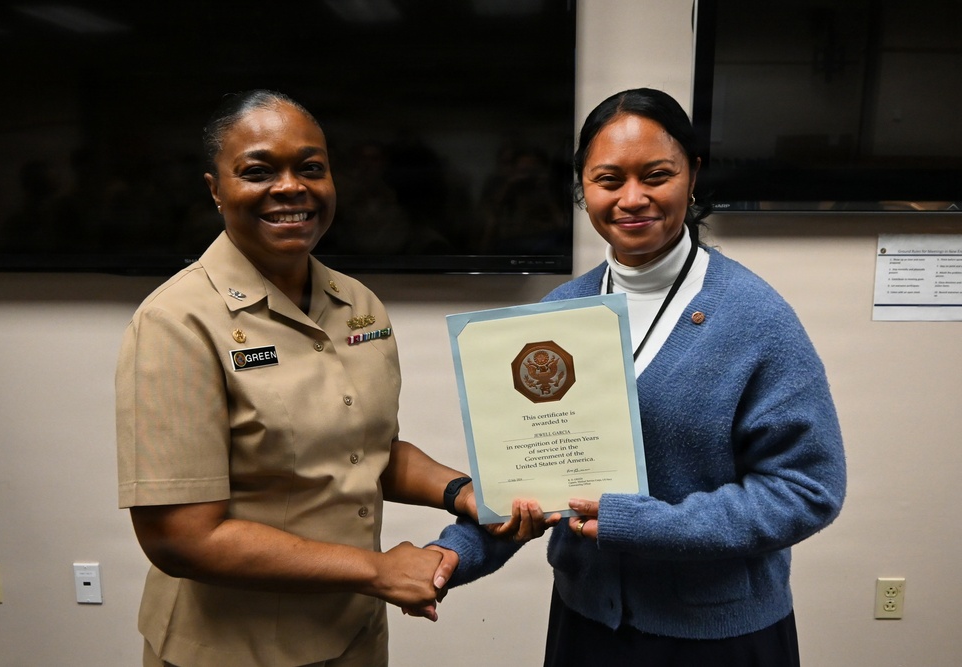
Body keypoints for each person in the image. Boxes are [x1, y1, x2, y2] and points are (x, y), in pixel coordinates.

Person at [115, 89, 542, 667]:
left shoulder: (356, 302)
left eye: (310, 168)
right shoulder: (176, 322)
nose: (292, 187)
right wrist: (379, 569)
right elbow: (181, 538)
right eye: (258, 171)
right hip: (233, 650)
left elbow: (369, 452)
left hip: (353, 637)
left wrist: (464, 492)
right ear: (216, 189)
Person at [428, 87, 847, 666]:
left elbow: (807, 489)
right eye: (608, 179)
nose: (633, 199)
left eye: (656, 175)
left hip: (718, 637)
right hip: (589, 624)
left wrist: (645, 523)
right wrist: (451, 556)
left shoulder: (755, 317)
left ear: (693, 175)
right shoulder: (557, 314)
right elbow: (525, 474)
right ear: (582, 187)